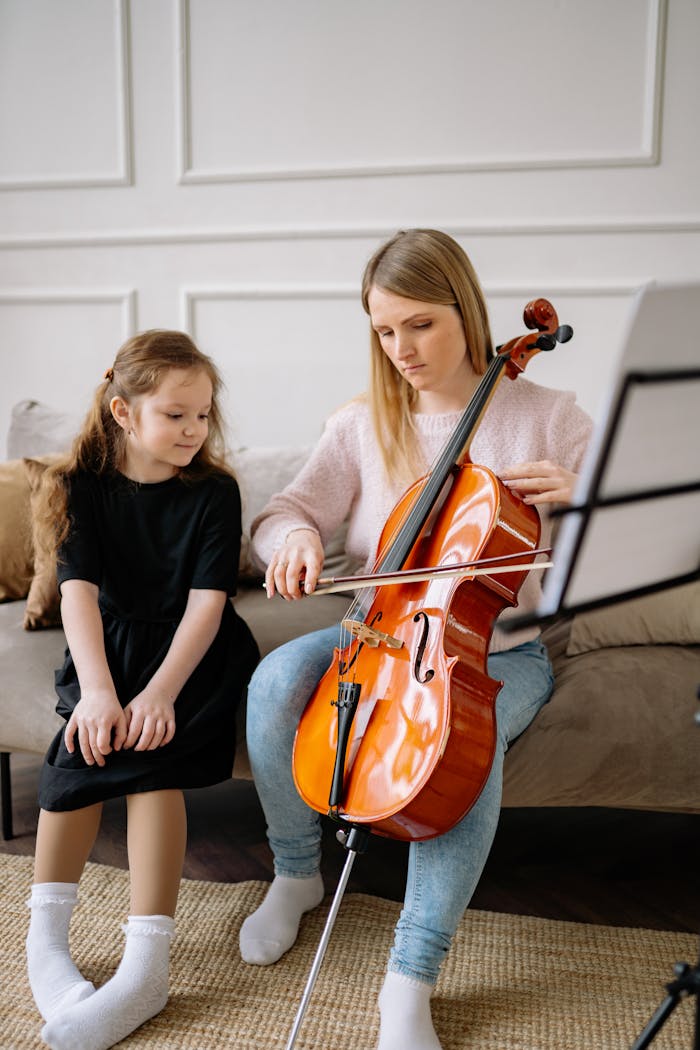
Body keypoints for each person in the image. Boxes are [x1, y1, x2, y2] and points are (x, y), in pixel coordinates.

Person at [239, 229, 593, 1050]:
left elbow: (624, 548)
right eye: (384, 330)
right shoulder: (366, 423)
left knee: (461, 752)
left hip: (498, 649)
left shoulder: (549, 418)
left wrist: (588, 498)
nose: (401, 349)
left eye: (420, 325)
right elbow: (285, 512)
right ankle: (295, 875)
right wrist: (289, 540)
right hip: (374, 634)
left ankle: (411, 976)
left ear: (466, 314)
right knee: (272, 684)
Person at [26, 330, 259, 1050]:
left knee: (152, 768)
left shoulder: (215, 491)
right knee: (75, 760)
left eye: (203, 415)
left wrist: (157, 696)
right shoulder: (79, 487)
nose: (194, 430)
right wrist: (99, 692)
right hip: (111, 650)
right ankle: (46, 943)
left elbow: (206, 606)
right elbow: (77, 597)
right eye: (176, 414)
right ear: (125, 412)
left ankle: (145, 969)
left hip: (193, 658)